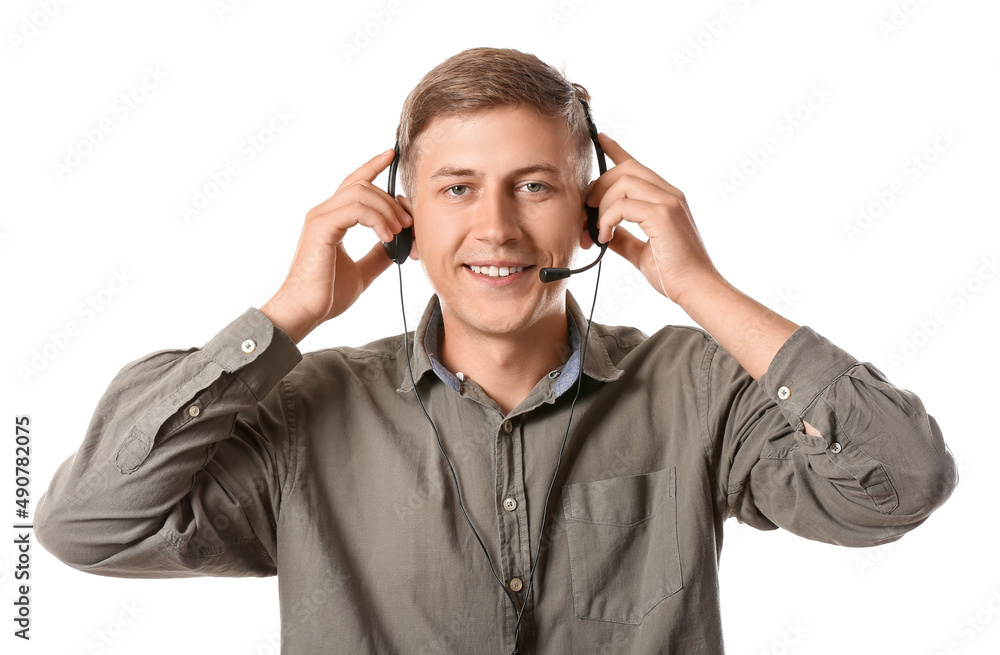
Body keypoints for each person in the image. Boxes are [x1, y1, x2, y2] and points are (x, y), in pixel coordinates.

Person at [35, 47, 957, 654]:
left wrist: (697, 285)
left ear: (594, 207)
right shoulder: (306, 409)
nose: (497, 228)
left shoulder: (696, 385)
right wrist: (285, 316)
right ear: (403, 215)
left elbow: (899, 483)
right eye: (458, 188)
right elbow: (87, 524)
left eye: (534, 187)